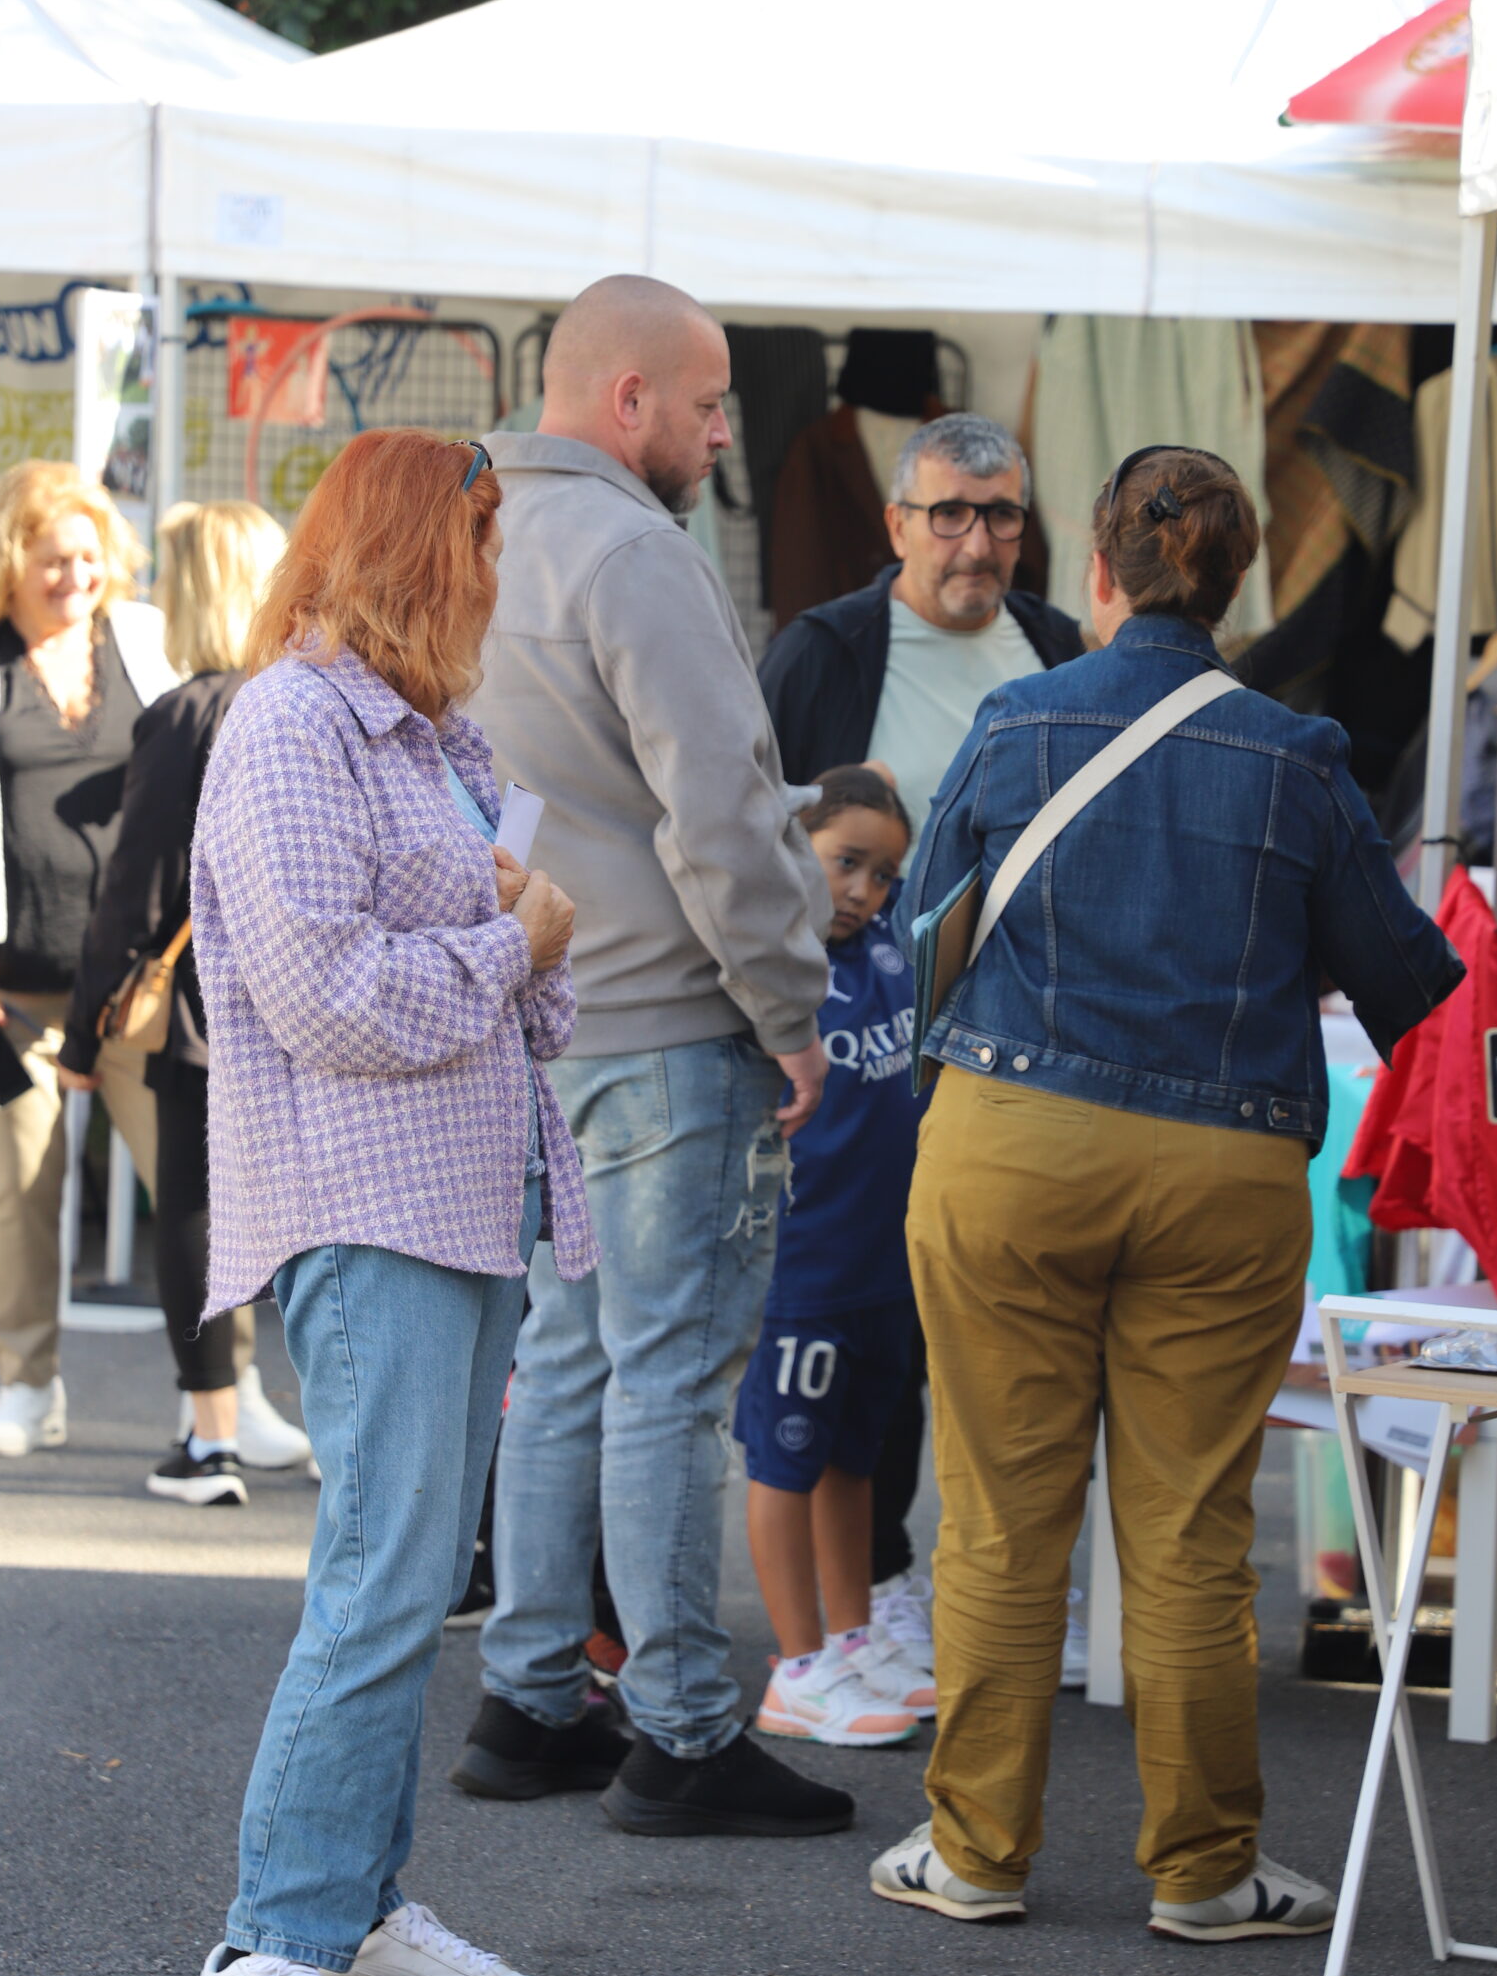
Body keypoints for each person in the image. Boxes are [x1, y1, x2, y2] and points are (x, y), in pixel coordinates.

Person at [869, 444, 1463, 1940]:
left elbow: (927, 938)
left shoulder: (1015, 719)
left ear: (1097, 568)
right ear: (1237, 579)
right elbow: (1403, 982)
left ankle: (976, 1853)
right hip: (1224, 1160)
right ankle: (1202, 1869)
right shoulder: (1298, 753)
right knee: (1191, 1527)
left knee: (1000, 1515)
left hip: (1011, 1143)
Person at [186, 429, 593, 1976]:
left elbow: (524, 989)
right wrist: (514, 938)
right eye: (482, 538)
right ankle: (270, 1939)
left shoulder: (429, 734)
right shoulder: (295, 723)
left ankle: (347, 1913)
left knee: (409, 1581)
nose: (498, 571)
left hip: (452, 1201)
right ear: (426, 548)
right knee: (381, 1581)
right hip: (369, 1207)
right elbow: (327, 998)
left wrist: (525, 942)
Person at [452, 273, 851, 1839]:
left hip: (539, 1010)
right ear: (628, 402)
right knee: (669, 1381)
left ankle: (531, 1695)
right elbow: (722, 811)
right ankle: (682, 1728)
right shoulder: (635, 550)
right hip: (668, 1024)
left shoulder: (477, 530)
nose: (720, 431)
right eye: (704, 403)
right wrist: (791, 1010)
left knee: (564, 1362)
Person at [759, 413, 1086, 1680]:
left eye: (999, 514)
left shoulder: (1058, 649)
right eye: (948, 512)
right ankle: (881, 1583)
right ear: (897, 524)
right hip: (860, 1054)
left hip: (1025, 1047)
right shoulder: (828, 650)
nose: (975, 541)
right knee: (872, 1318)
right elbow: (752, 834)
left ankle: (993, 1577)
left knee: (1013, 1325)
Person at [59, 500, 308, 1504]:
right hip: (315, 1000)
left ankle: (211, 1443)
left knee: (194, 1211)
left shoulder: (191, 713)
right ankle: (325, 1428)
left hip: (210, 1013)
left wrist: (83, 1036)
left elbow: (136, 892)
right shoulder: (312, 701)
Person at [0, 459, 176, 1457]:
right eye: (52, 559)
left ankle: (223, 1394)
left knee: (192, 1188)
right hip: (8, 990)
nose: (75, 576)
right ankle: (27, 1387)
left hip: (137, 988)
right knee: (19, 1194)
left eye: (88, 556)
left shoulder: (143, 639)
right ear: (7, 561)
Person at [739, 766, 934, 1748]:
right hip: (803, 1271)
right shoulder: (774, 973)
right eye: (845, 862)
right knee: (787, 1460)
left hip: (882, 1269)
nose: (863, 890)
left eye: (883, 874)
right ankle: (797, 1667)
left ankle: (851, 1640)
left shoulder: (892, 948)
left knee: (853, 1460)